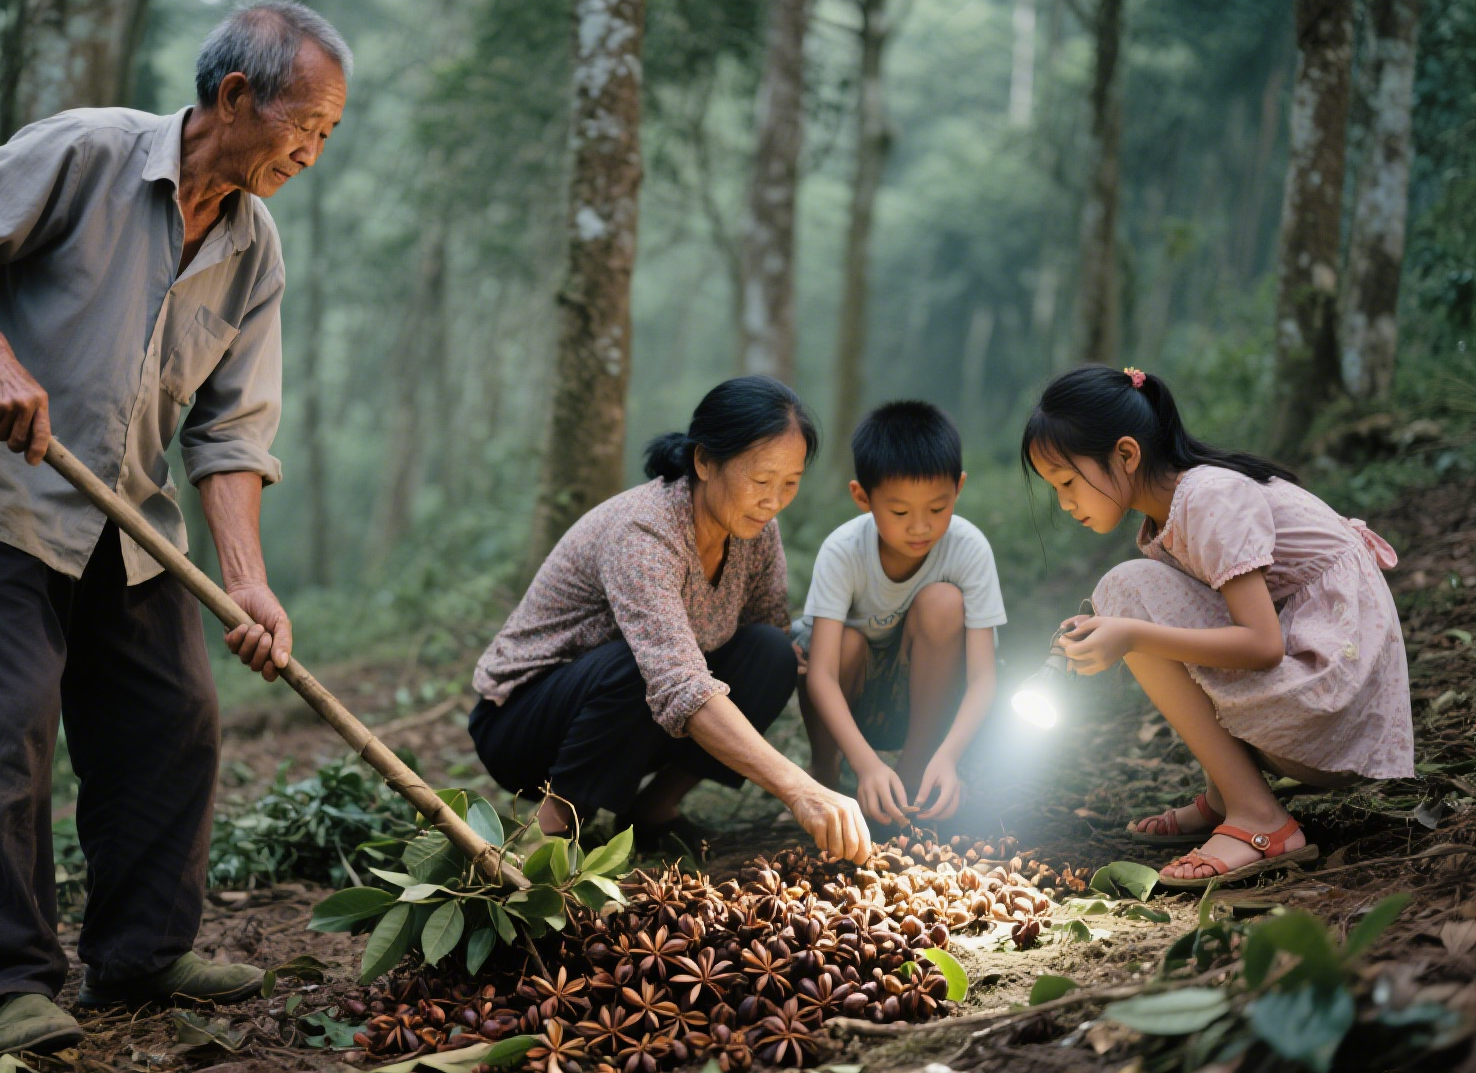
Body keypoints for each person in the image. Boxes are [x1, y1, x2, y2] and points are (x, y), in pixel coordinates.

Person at [0, 0, 351, 1053]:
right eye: (305, 127)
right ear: (235, 98)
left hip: (127, 519)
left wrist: (248, 581)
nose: (313, 153)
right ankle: (7, 985)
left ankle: (141, 953)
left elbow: (229, 431)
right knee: (3, 733)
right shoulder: (88, 154)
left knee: (176, 719)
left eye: (329, 135)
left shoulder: (252, 245)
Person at [1024, 365, 1413, 888]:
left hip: (1334, 698)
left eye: (1068, 482)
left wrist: (1131, 635)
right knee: (1120, 598)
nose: (1065, 502)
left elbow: (1261, 644)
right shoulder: (1175, 509)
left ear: (1125, 454)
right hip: (1323, 695)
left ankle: (1259, 818)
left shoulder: (1209, 497)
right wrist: (1110, 628)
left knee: (1125, 594)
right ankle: (1227, 795)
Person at [470, 377, 872, 865]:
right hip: (525, 726)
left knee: (770, 652)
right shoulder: (644, 532)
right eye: (761, 480)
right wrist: (799, 789)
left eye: (790, 483)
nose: (773, 500)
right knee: (641, 663)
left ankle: (654, 810)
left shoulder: (755, 528)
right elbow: (675, 681)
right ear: (704, 461)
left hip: (633, 720)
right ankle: (551, 829)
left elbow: (767, 628)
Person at [793, 401, 1006, 827]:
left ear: (958, 488)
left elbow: (984, 677)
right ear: (862, 497)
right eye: (900, 512)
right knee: (841, 644)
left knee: (944, 602)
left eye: (937, 508)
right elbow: (820, 675)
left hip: (925, 695)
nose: (920, 527)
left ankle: (917, 776)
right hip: (851, 703)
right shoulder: (843, 551)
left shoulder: (969, 548)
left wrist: (948, 758)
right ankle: (828, 779)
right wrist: (866, 765)